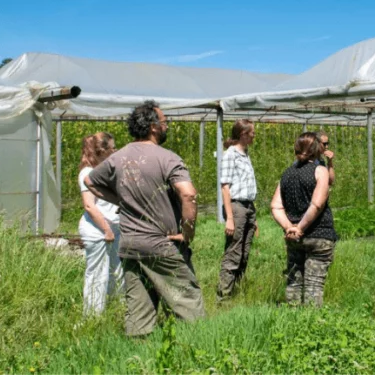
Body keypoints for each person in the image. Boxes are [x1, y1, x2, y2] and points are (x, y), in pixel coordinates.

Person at [84, 100, 205, 337]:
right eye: (164, 122)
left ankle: (138, 361)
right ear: (153, 127)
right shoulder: (167, 157)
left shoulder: (118, 157)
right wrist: (188, 231)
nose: (167, 126)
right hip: (162, 243)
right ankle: (197, 353)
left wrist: (122, 200)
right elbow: (188, 194)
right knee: (189, 304)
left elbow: (91, 182)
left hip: (130, 245)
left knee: (139, 313)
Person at [270, 132, 337, 307]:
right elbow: (317, 204)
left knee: (294, 280)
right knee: (314, 284)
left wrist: (289, 227)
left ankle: (292, 318)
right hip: (319, 234)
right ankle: (310, 325)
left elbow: (275, 206)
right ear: (316, 150)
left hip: (293, 238)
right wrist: (300, 227)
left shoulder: (287, 174)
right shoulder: (319, 171)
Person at [78, 132, 123, 316]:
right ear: (102, 150)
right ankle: (92, 316)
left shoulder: (104, 170)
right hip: (98, 230)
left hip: (112, 228)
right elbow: (89, 205)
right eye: (112, 148)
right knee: (98, 274)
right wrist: (106, 229)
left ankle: (116, 310)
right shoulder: (87, 173)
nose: (115, 150)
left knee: (116, 271)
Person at [217, 119, 258, 302]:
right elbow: (225, 187)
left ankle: (236, 291)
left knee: (245, 252)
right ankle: (224, 295)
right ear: (243, 134)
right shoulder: (230, 155)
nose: (254, 135)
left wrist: (253, 215)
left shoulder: (245, 153)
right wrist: (230, 218)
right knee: (234, 252)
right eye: (252, 133)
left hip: (248, 206)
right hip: (237, 206)